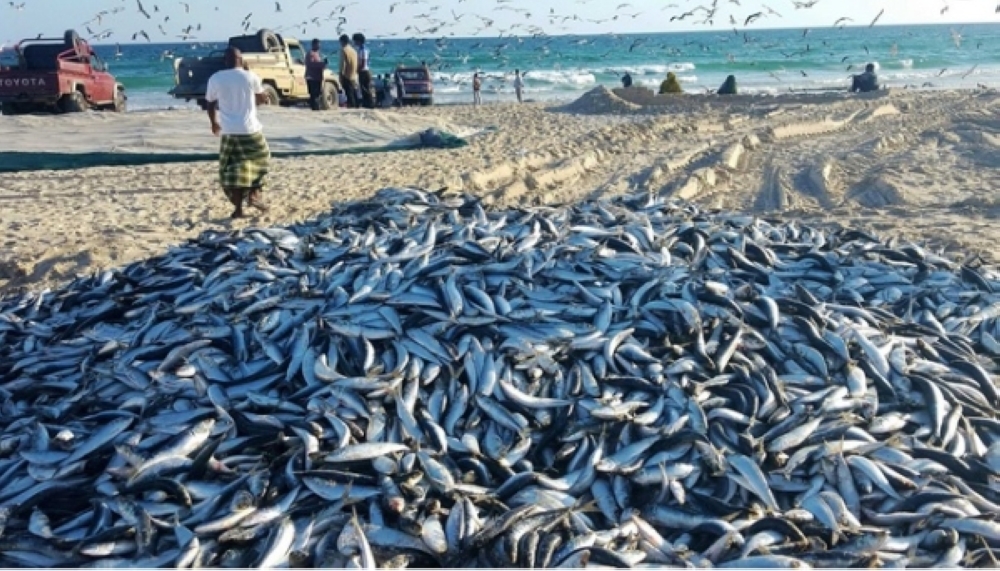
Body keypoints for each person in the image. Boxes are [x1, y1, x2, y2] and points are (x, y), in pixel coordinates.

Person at [205, 47, 271, 219]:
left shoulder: (216, 78)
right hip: (250, 129)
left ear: (225, 60)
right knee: (262, 159)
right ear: (241, 59)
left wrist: (214, 123)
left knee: (232, 169)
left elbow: (210, 104)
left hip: (229, 131)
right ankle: (254, 194)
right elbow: (262, 99)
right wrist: (262, 97)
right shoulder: (251, 76)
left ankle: (238, 209)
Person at [353, 33, 375, 109]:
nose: (354, 43)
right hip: (364, 70)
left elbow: (363, 62)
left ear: (359, 41)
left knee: (365, 88)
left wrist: (358, 69)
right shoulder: (361, 49)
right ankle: (367, 103)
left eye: (355, 41)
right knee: (364, 88)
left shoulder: (363, 50)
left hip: (364, 71)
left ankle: (369, 104)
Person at [305, 38, 327, 111]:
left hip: (318, 77)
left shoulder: (318, 54)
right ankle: (315, 109)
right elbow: (311, 64)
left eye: (320, 44)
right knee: (314, 95)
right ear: (313, 44)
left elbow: (320, 65)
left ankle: (316, 108)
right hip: (312, 77)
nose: (319, 46)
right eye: (318, 44)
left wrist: (324, 64)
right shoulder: (310, 53)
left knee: (317, 94)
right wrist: (321, 64)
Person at [338, 34, 359, 108]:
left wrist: (341, 75)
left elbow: (343, 64)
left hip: (347, 75)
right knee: (354, 92)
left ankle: (351, 106)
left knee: (349, 92)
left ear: (342, 42)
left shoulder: (344, 50)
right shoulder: (354, 50)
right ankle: (357, 105)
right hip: (354, 74)